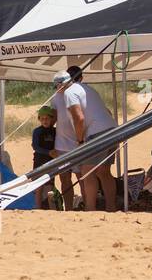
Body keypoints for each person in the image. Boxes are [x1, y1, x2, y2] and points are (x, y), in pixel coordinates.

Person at [51, 66, 117, 212]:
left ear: (61, 84)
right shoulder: (88, 89)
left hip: (97, 133)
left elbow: (79, 118)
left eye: (56, 86)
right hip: (113, 130)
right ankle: (111, 208)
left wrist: (80, 141)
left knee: (88, 173)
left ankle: (90, 210)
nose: (56, 89)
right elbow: (106, 111)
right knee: (104, 172)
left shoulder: (69, 92)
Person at [32, 105, 58, 209]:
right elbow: (35, 146)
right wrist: (48, 152)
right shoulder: (37, 131)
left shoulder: (55, 131)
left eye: (47, 118)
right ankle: (38, 207)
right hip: (39, 161)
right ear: (39, 119)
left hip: (51, 162)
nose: (45, 121)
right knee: (38, 186)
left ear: (51, 118)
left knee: (50, 186)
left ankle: (52, 207)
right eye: (42, 119)